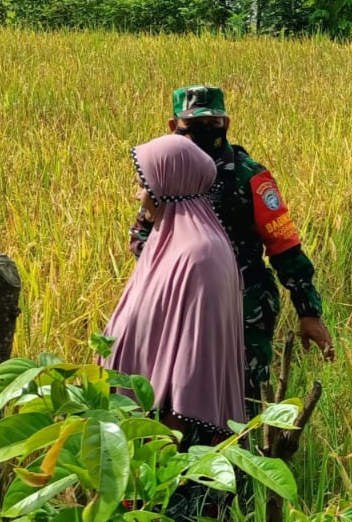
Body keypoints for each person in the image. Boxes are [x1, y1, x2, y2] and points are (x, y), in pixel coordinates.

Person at [130, 85, 335, 414]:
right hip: (181, 307)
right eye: (194, 126)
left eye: (213, 124)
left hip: (243, 308)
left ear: (226, 122)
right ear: (173, 127)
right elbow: (141, 238)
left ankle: (243, 463)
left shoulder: (250, 176)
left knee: (243, 403)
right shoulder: (166, 175)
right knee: (179, 397)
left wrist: (308, 311)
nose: (205, 132)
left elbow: (285, 247)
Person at [103, 134, 246, 446]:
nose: (139, 194)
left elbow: (193, 369)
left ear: (169, 185)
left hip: (171, 445)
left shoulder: (199, 255)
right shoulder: (169, 241)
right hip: (142, 429)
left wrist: (162, 452)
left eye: (144, 184)